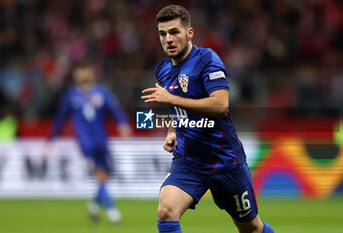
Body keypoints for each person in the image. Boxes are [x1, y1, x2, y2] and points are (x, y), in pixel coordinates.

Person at [142, 5, 274, 233]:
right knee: (166, 211)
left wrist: (171, 99)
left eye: (174, 32)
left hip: (224, 161)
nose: (168, 39)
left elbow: (221, 105)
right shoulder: (163, 69)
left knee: (251, 227)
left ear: (189, 33)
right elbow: (179, 105)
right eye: (163, 34)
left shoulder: (207, 60)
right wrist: (173, 130)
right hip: (188, 159)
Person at [46, 61, 131, 225]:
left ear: (92, 73)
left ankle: (93, 205)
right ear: (75, 75)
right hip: (85, 143)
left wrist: (123, 123)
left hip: (102, 141)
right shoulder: (71, 95)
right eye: (80, 71)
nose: (83, 74)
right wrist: (49, 141)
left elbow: (115, 110)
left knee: (104, 175)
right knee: (100, 174)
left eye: (86, 71)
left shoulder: (102, 92)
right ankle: (113, 212)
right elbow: (60, 120)